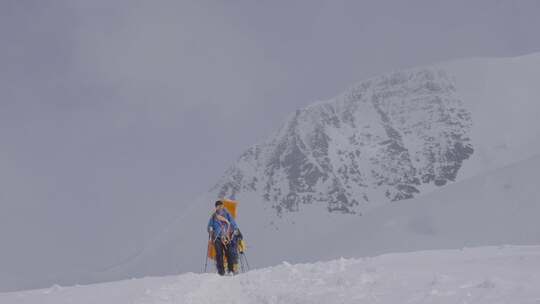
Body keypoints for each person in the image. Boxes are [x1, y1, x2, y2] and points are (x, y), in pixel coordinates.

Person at [207, 200, 241, 275]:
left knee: (229, 253)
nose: (219, 208)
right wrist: (210, 229)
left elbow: (232, 222)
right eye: (218, 206)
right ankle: (221, 271)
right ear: (216, 207)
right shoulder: (213, 217)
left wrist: (235, 229)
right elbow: (209, 226)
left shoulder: (227, 214)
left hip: (226, 237)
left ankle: (231, 270)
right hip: (217, 238)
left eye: (221, 206)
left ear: (223, 206)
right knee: (219, 254)